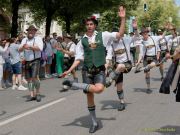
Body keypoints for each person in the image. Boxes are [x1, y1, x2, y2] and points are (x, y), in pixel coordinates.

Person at [61, 5, 126, 133]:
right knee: (90, 96)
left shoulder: (103, 35)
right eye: (87, 24)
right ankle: (94, 122)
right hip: (87, 71)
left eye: (91, 24)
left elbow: (119, 34)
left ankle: (74, 84)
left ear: (95, 25)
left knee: (100, 89)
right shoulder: (81, 41)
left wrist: (123, 19)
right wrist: (69, 71)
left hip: (100, 69)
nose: (89, 26)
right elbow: (78, 59)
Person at [105, 22, 139, 111]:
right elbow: (108, 57)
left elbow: (137, 37)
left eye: (118, 35)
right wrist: (106, 66)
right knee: (119, 86)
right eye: (114, 36)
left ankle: (110, 80)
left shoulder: (126, 39)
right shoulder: (110, 44)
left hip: (127, 64)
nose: (116, 37)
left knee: (119, 66)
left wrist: (135, 28)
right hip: (117, 67)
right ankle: (122, 102)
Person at [135, 26, 171, 94]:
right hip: (146, 58)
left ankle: (142, 69)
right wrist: (138, 62)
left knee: (152, 65)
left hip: (153, 57)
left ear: (148, 33)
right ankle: (148, 87)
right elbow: (141, 53)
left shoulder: (154, 38)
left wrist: (166, 29)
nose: (144, 34)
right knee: (147, 74)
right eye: (143, 33)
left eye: (145, 32)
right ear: (142, 34)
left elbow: (162, 36)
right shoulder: (142, 41)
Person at [19, 25, 43, 102]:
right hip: (27, 61)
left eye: (32, 30)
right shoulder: (24, 40)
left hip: (35, 60)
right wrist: (23, 47)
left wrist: (30, 46)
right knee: (29, 79)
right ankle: (31, 95)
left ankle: (38, 93)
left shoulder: (38, 39)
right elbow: (19, 50)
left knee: (34, 77)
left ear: (35, 32)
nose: (31, 32)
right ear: (27, 31)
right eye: (29, 30)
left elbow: (40, 48)